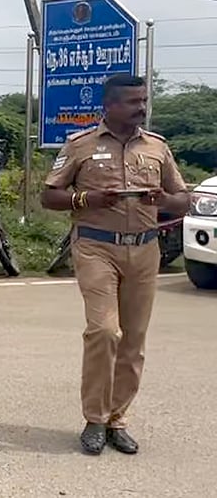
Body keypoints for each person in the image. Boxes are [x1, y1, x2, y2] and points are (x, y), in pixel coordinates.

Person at [40, 74, 189, 456]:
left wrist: (162, 199)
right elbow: (50, 195)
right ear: (109, 106)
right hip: (96, 247)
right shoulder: (81, 145)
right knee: (105, 331)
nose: (142, 108)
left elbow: (182, 199)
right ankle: (94, 418)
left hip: (145, 249)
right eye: (133, 102)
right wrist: (86, 199)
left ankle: (116, 420)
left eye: (144, 101)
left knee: (134, 340)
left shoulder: (157, 147)